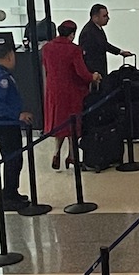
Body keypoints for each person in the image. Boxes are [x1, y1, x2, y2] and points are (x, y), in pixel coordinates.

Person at [42, 20, 99, 171]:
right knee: (72, 124)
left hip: (53, 91)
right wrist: (93, 77)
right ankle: (72, 156)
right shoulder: (74, 50)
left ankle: (56, 152)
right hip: (71, 91)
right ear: (72, 34)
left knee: (60, 123)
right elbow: (81, 72)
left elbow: (46, 67)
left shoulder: (47, 48)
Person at [0, 42, 32, 209]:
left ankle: (12, 192)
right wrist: (17, 115)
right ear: (9, 57)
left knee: (15, 160)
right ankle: (8, 197)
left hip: (9, 124)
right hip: (5, 125)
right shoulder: (0, 78)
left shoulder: (0, 74)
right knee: (12, 160)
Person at [79, 4, 131, 80]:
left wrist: (120, 52)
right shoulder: (89, 32)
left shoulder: (96, 29)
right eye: (104, 16)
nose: (108, 18)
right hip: (95, 72)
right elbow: (102, 46)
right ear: (95, 17)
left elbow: (104, 44)